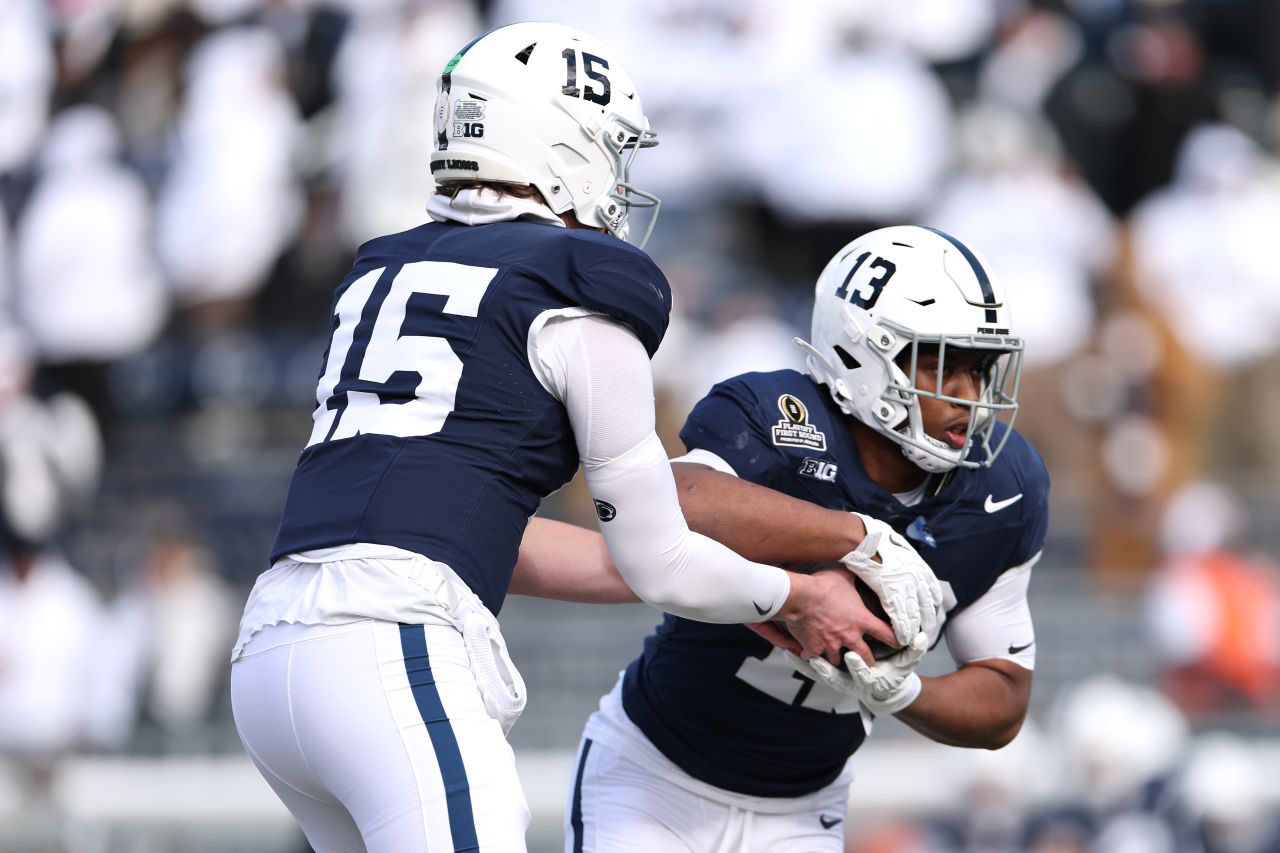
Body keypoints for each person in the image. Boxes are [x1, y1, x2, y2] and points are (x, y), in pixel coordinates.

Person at [229, 23, 941, 853]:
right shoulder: (575, 283)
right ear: (560, 144)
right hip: (390, 641)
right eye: (609, 148)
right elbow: (660, 556)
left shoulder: (387, 271)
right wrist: (802, 595)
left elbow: (523, 537)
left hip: (274, 649)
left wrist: (742, 586)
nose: (617, 175)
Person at [566, 225, 1051, 852]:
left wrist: (902, 691)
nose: (968, 396)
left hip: (804, 808)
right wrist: (859, 539)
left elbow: (1004, 699)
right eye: (942, 363)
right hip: (654, 777)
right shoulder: (783, 417)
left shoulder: (1003, 486)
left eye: (980, 368)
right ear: (864, 354)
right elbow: (675, 497)